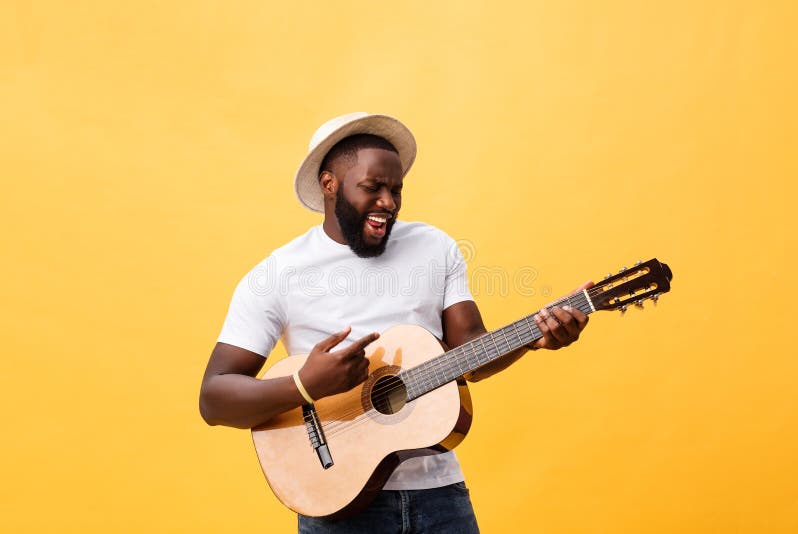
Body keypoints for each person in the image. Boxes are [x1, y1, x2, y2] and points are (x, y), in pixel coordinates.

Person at [199, 112, 591, 533]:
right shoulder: (278, 274)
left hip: (440, 497)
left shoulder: (434, 247)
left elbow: (471, 355)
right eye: (373, 188)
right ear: (329, 183)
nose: (388, 203)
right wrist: (304, 385)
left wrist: (533, 338)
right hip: (335, 499)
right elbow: (214, 397)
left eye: (396, 189)